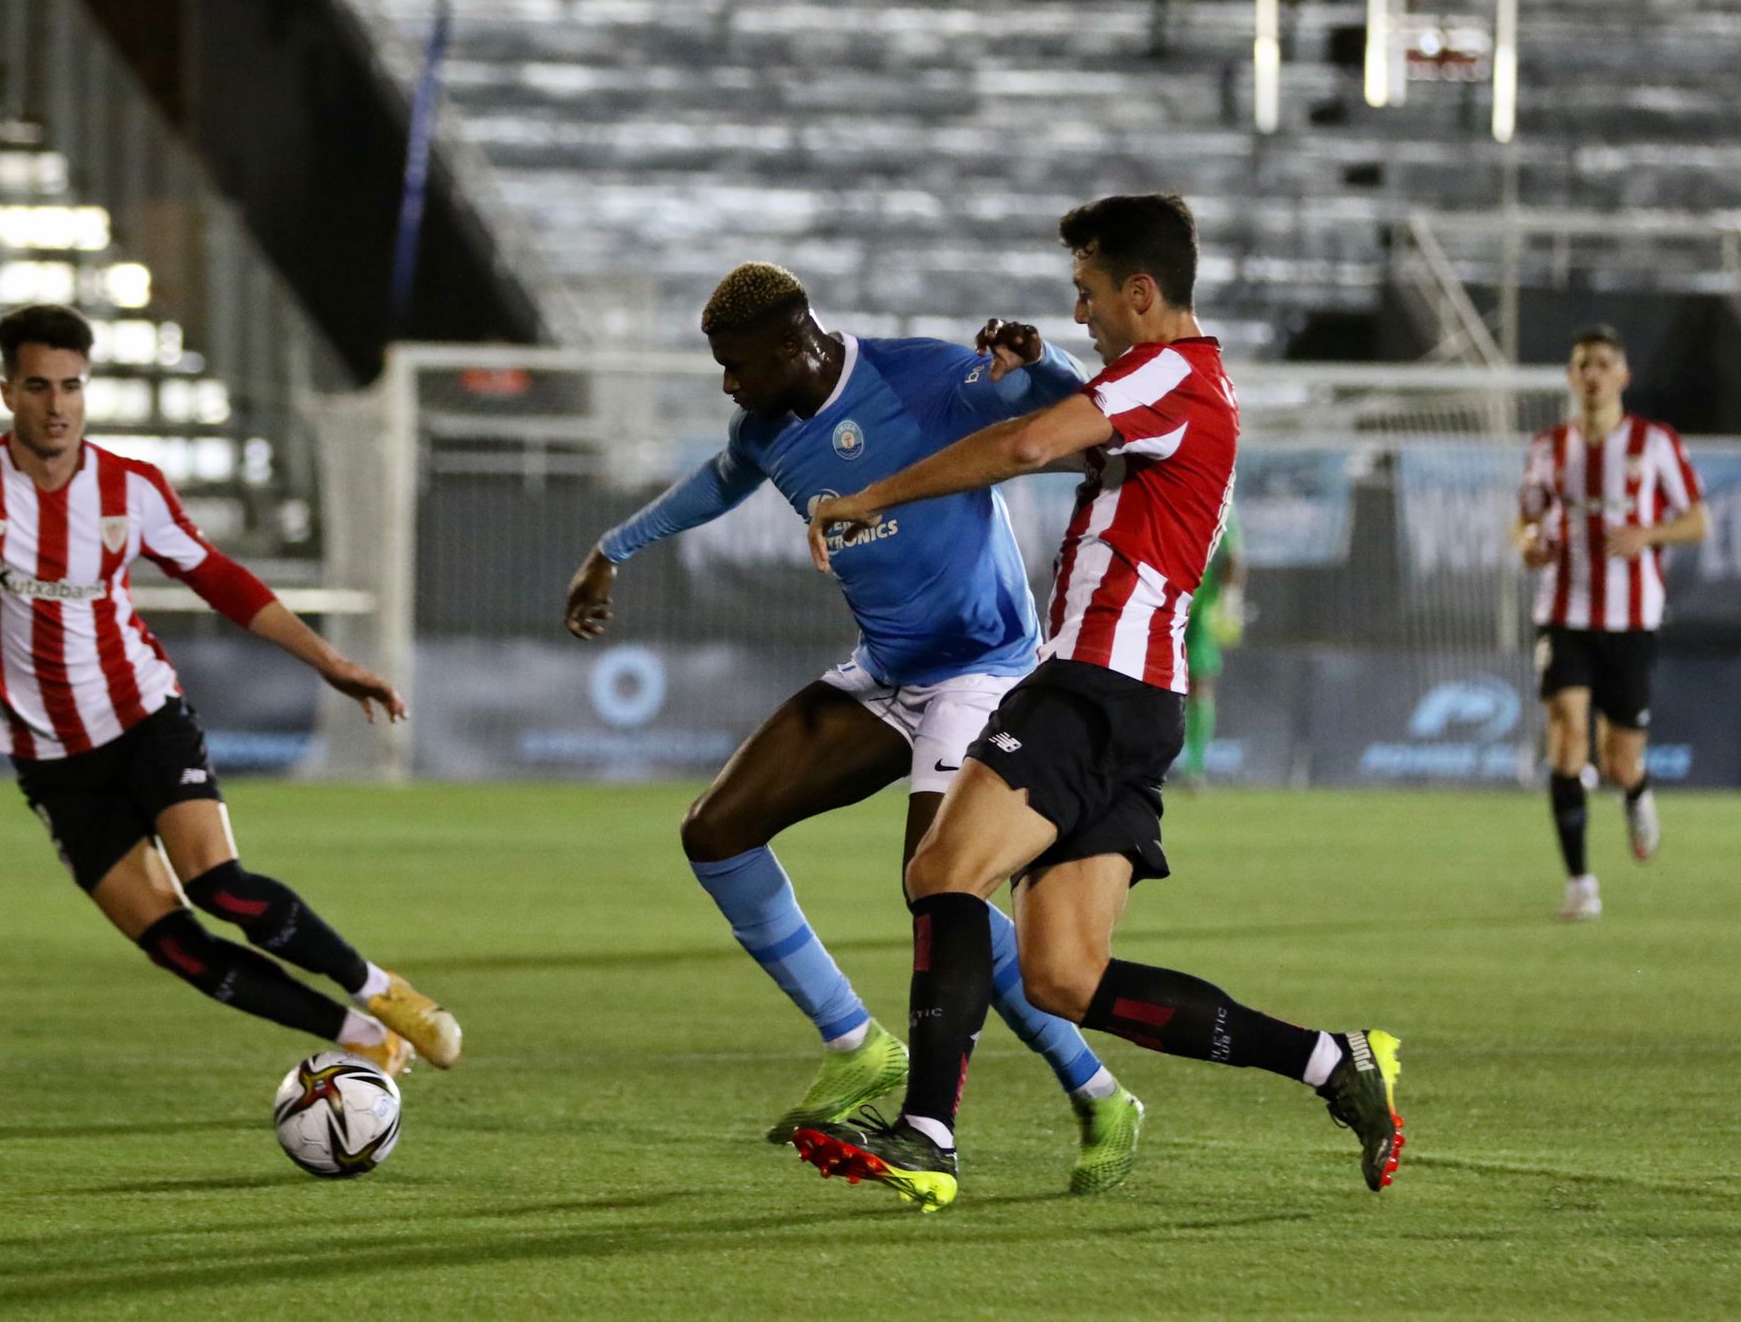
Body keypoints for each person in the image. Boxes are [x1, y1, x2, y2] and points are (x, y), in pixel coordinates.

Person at [794, 195, 1402, 1212]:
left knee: (944, 867)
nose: (1079, 313)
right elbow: (1075, 432)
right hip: (1136, 703)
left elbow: (1030, 448)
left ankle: (929, 1133)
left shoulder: (1170, 372)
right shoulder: (1171, 387)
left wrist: (869, 495)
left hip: (1092, 685)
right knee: (1065, 976)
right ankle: (1329, 1061)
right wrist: (1033, 372)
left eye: (1084, 292)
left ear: (1139, 291)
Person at [562, 263, 1146, 1193]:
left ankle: (1100, 1091)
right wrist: (611, 550)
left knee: (940, 892)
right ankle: (855, 1044)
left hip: (983, 670)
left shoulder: (921, 378)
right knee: (715, 831)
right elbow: (719, 482)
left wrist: (1041, 361)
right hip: (889, 669)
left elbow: (1069, 420)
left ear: (796, 344)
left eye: (739, 365)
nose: (729, 384)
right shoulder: (765, 428)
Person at [0, 304, 460, 1076]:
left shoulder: (129, 487)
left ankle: (383, 993)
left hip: (142, 714)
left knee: (219, 884)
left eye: (71, 387)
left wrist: (326, 660)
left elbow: (220, 579)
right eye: (39, 387)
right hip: (51, 760)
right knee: (176, 947)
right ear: (8, 391)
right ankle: (363, 1042)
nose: (58, 406)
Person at [1518, 325, 1707, 922]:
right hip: (1562, 614)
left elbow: (1697, 520)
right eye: (1582, 364)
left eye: (1603, 363)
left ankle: (1635, 788)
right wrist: (1529, 546)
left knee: (1619, 757)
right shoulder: (1548, 447)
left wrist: (1650, 533)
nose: (1593, 374)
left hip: (1630, 620)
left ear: (1622, 376)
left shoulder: (1654, 443)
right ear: (1572, 377)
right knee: (1568, 736)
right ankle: (1580, 883)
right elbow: (1523, 523)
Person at [1181, 502, 1243, 782]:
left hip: (1198, 607)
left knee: (1199, 683)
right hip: (1168, 600)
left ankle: (1195, 765)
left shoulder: (1222, 504)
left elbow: (1234, 558)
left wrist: (1229, 601)